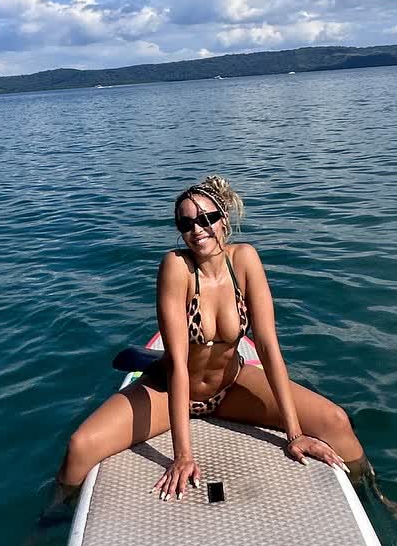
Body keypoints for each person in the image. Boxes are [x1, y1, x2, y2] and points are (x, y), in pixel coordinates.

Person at [58, 175, 366, 499]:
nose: (197, 229)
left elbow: (267, 346)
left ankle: (373, 496)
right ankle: (50, 520)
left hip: (231, 386)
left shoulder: (245, 260)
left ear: (224, 219)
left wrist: (294, 434)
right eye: (186, 223)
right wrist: (183, 455)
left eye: (207, 219)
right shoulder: (176, 267)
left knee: (336, 421)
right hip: (172, 392)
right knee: (80, 447)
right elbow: (178, 364)